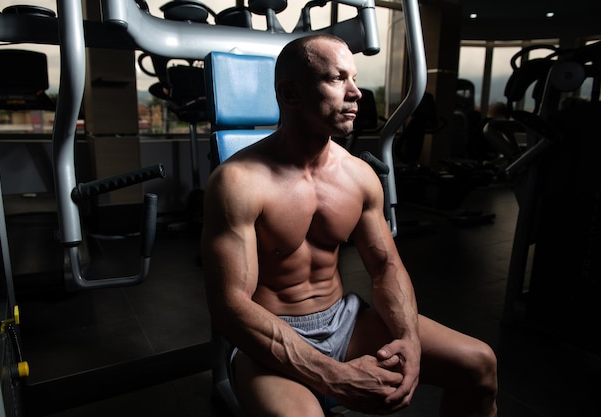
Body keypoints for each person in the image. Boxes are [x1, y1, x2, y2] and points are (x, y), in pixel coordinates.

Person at [201, 34, 498, 417]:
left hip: (345, 320)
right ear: (290, 94)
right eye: (337, 78)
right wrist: (334, 376)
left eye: (354, 78)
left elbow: (385, 267)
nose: (357, 92)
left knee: (479, 363)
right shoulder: (237, 181)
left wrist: (408, 338)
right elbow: (229, 305)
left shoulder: (358, 176)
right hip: (271, 334)